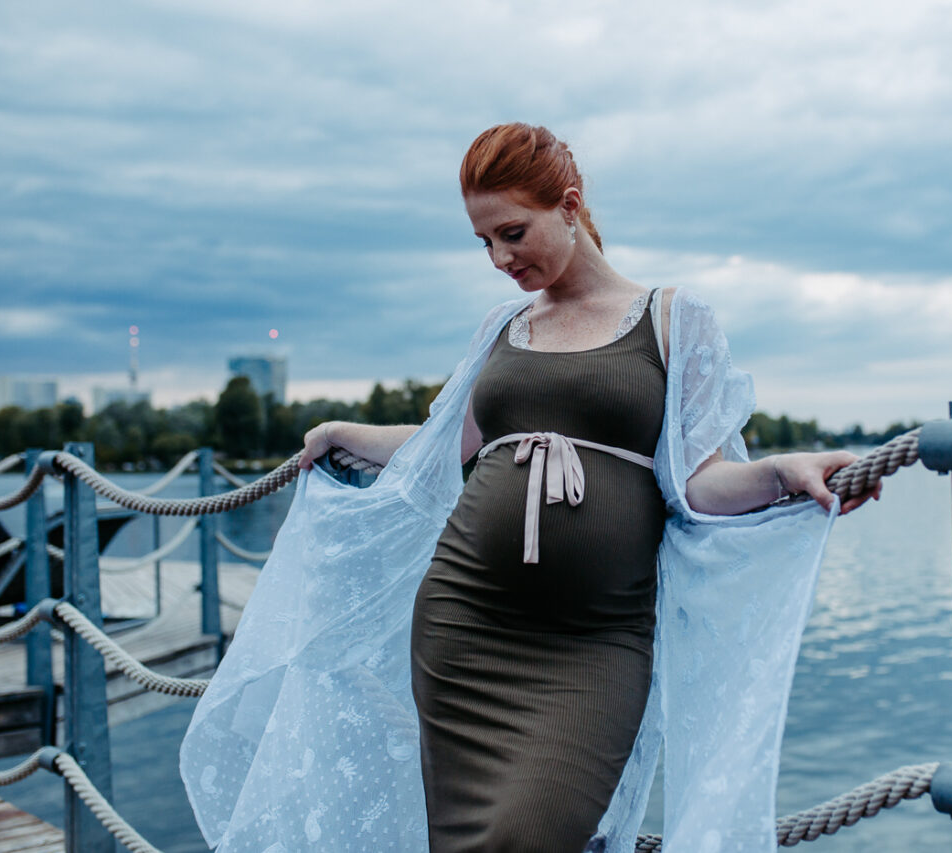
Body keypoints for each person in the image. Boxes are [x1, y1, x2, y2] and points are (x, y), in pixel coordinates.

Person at [180, 123, 878, 853]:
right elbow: (442, 450)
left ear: (569, 206)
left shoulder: (673, 320)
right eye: (484, 242)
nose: (500, 258)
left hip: (596, 641)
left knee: (526, 837)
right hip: (466, 628)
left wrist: (781, 473)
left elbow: (698, 483)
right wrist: (342, 433)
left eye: (513, 232)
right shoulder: (505, 328)